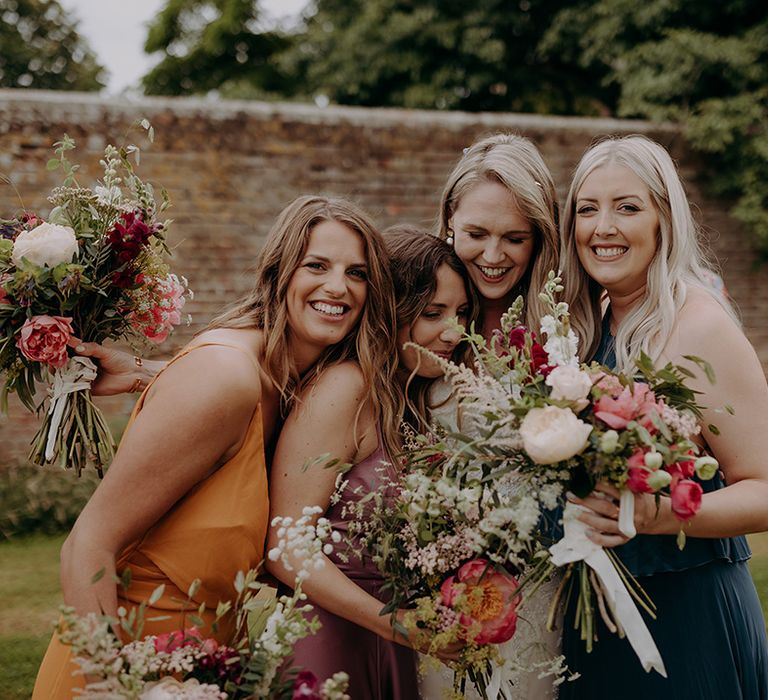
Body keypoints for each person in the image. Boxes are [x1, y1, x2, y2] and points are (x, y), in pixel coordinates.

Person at [32, 194, 396, 699]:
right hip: (127, 660)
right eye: (317, 265)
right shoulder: (225, 376)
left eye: (357, 273)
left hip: (206, 668)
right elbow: (87, 545)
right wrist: (109, 683)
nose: (338, 286)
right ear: (279, 273)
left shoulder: (294, 386)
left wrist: (142, 372)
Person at [558, 135, 768, 699]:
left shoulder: (700, 326)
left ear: (663, 220)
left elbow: (765, 488)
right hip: (595, 623)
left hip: (686, 619)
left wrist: (658, 516)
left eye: (627, 207)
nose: (603, 227)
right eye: (587, 208)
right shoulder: (587, 327)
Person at [266, 229, 476, 699]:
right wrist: (397, 625)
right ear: (391, 310)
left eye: (462, 313)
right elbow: (287, 547)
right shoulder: (345, 387)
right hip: (330, 636)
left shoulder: (409, 399)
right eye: (433, 313)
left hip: (390, 634)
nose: (454, 331)